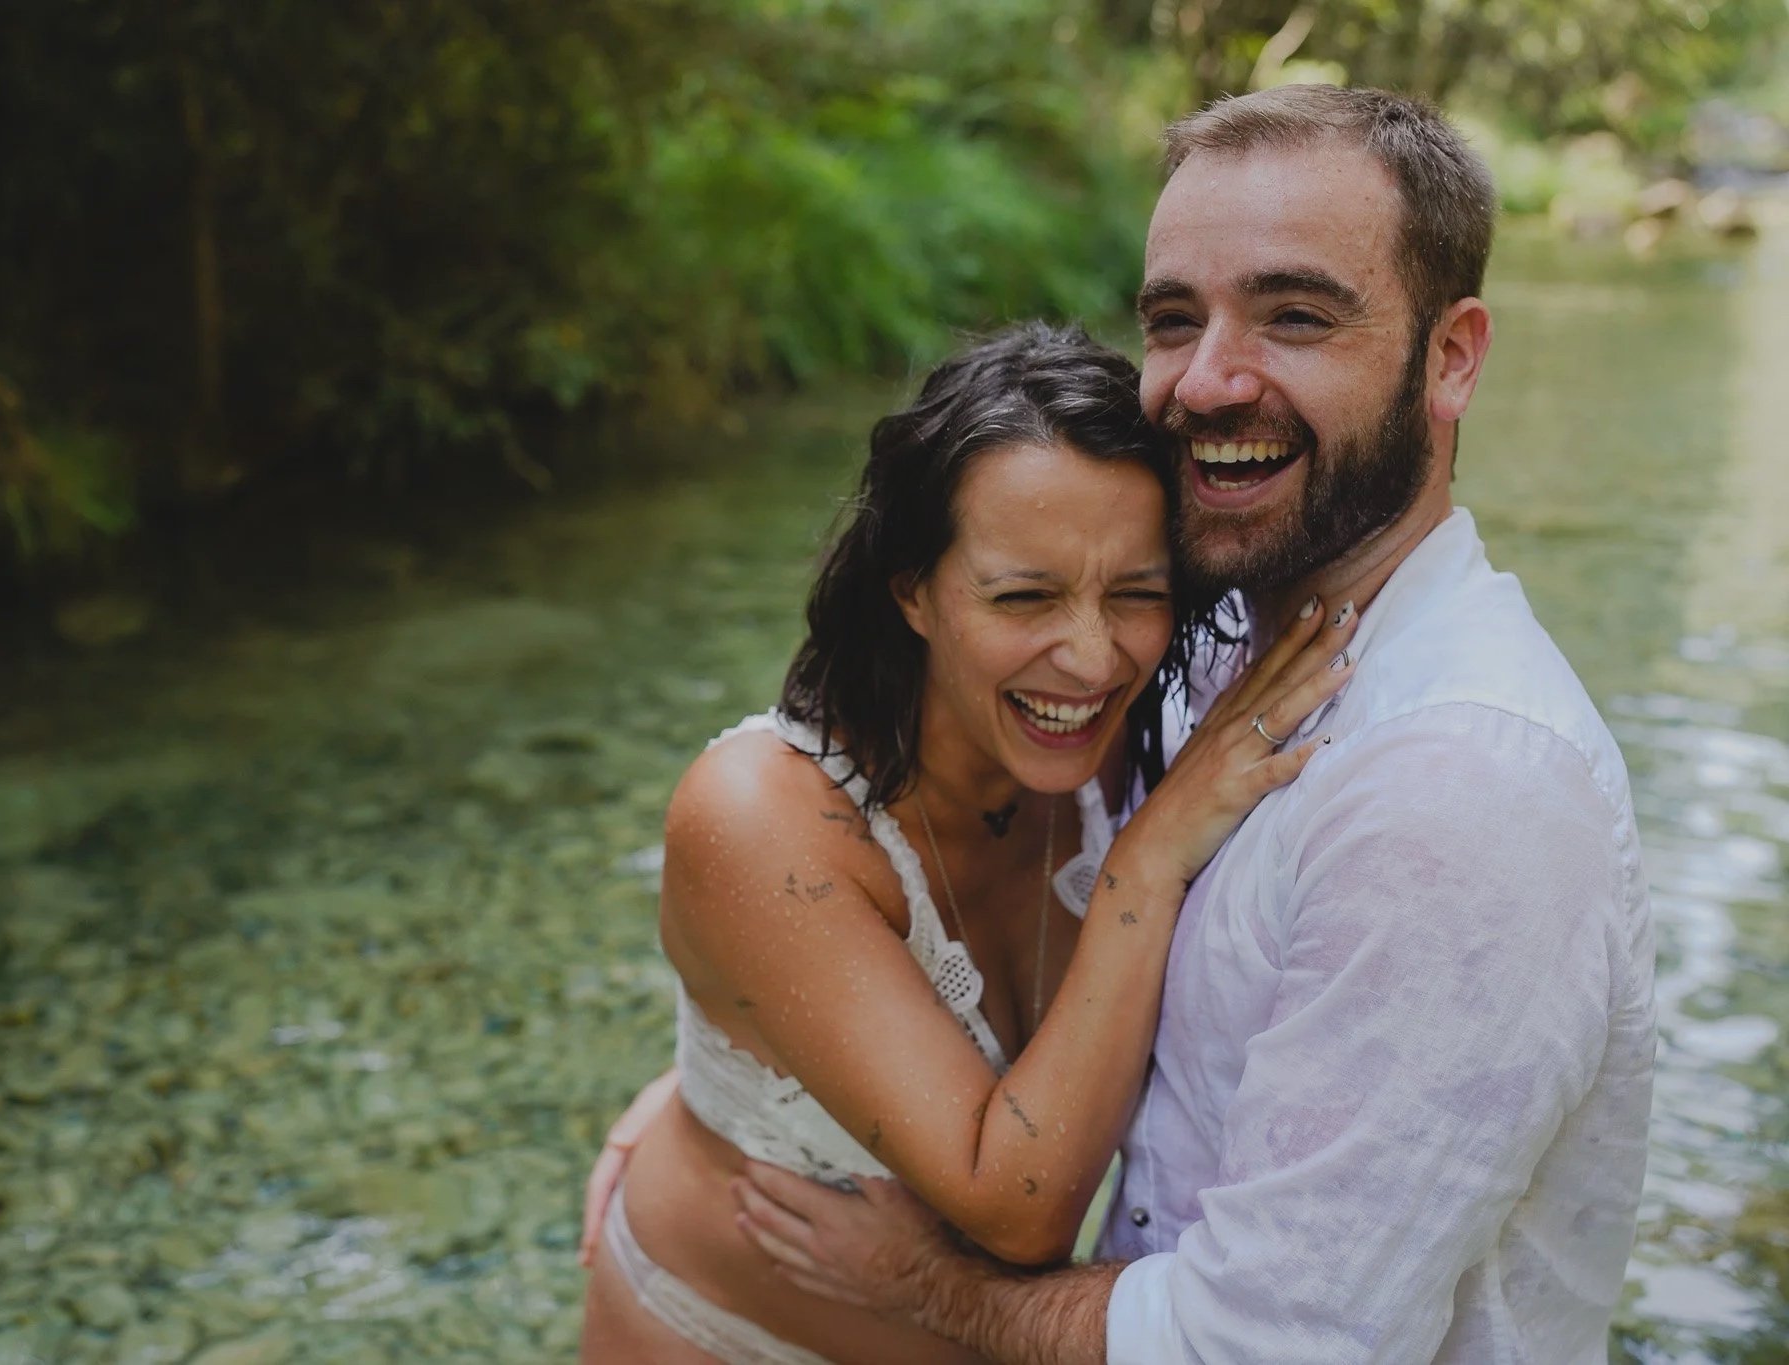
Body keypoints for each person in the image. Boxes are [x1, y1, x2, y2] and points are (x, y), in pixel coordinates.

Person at [721, 85, 1658, 1364]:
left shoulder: (1453, 789)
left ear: (1450, 357)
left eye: (1292, 316)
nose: (1207, 381)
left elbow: (1259, 1346)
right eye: (1174, 319)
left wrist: (924, 1292)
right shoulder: (1210, 629)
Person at [577, 321, 1361, 1364]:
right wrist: (1144, 860)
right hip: (719, 1336)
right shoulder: (758, 810)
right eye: (1021, 596)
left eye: (1136, 592)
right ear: (912, 588)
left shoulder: (1117, 735)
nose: (1089, 659)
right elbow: (1020, 1207)